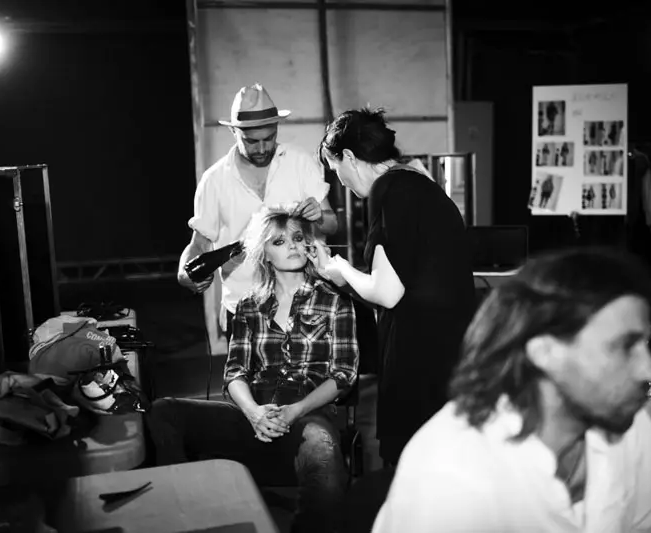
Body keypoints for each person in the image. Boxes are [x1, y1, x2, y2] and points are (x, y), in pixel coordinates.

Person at [372, 247, 651, 532]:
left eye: (645, 343)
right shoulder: (450, 479)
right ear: (544, 353)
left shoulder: (618, 415)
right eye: (624, 346)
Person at [148, 206, 358, 533]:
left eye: (298, 238)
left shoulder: (334, 301)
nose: (291, 245)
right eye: (279, 241)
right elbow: (234, 374)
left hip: (308, 415)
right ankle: (180, 518)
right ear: (264, 254)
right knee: (164, 412)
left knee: (324, 450)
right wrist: (254, 413)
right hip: (253, 417)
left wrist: (294, 411)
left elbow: (344, 375)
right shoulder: (249, 305)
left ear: (308, 244)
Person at [315, 107, 475, 466]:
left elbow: (387, 292)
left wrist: (340, 269)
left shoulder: (390, 190)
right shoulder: (419, 184)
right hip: (450, 348)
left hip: (420, 353)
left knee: (412, 463)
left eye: (335, 168)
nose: (340, 181)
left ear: (350, 158)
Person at [177, 83, 338, 342]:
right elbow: (199, 243)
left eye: (269, 138)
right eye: (251, 141)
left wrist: (319, 215)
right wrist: (184, 273)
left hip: (304, 304)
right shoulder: (214, 180)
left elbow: (332, 225)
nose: (262, 149)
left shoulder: (301, 163)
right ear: (233, 131)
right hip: (243, 308)